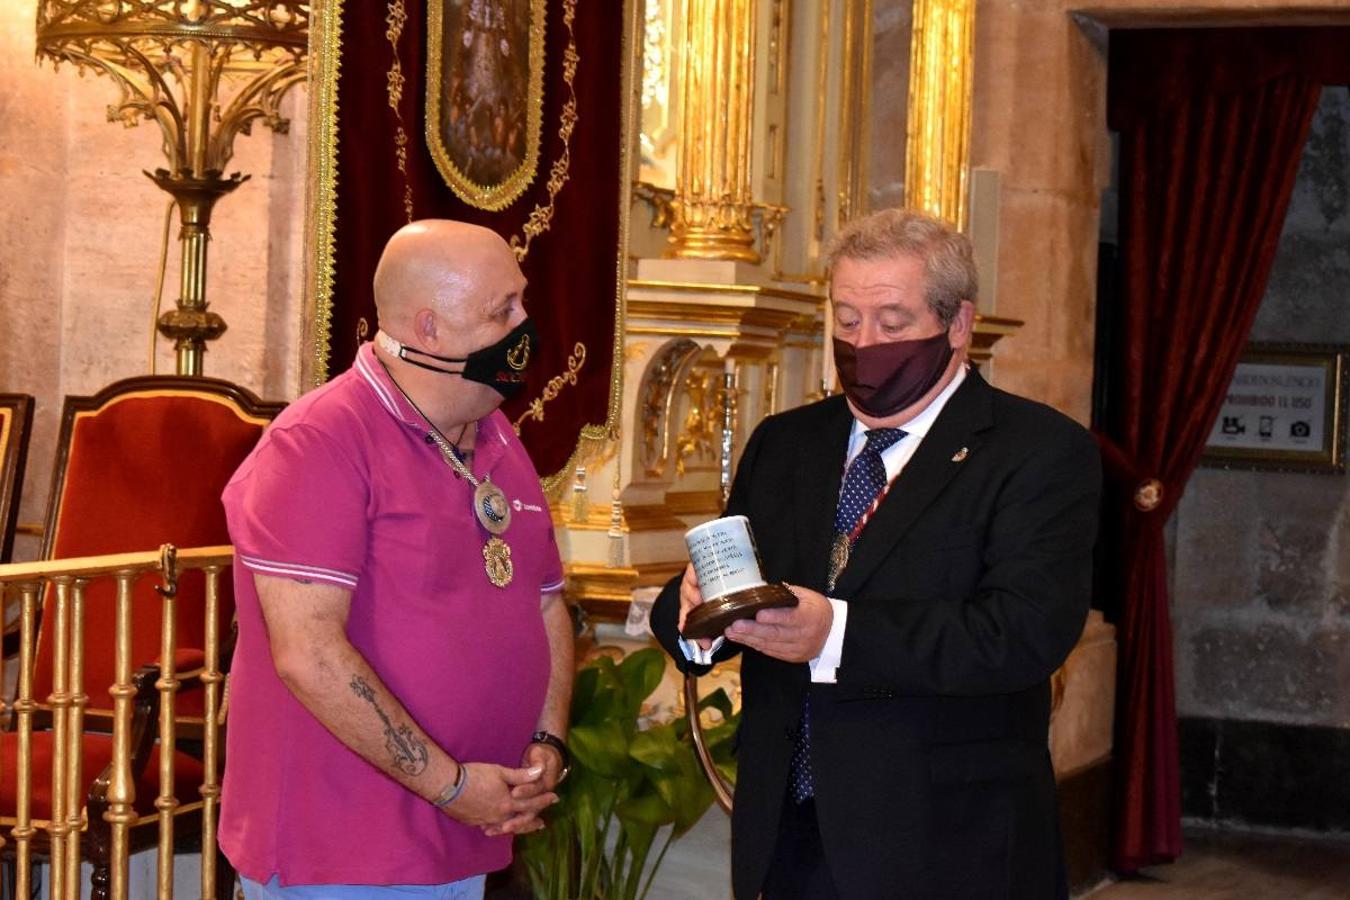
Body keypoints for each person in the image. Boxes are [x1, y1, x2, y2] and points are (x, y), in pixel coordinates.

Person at [651, 208, 1102, 899]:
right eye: (846, 319)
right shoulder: (785, 443)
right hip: (789, 836)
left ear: (958, 325)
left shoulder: (1037, 452)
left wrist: (836, 633)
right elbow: (726, 584)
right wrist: (697, 611)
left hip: (947, 842)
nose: (864, 344)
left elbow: (1023, 632)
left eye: (893, 324)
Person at [219, 220, 574, 899]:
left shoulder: (498, 440)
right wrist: (451, 786)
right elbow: (309, 653)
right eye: (504, 310)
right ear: (430, 328)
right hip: (339, 855)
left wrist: (545, 746)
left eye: (522, 302)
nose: (526, 326)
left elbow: (546, 601)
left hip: (463, 842)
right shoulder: (319, 442)